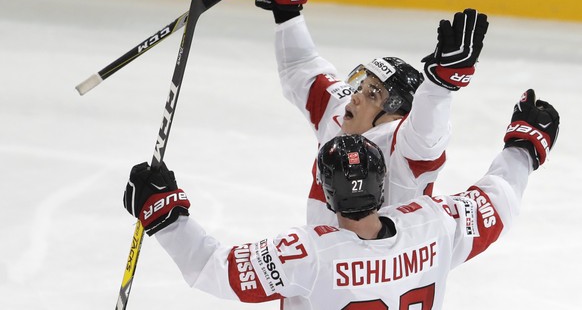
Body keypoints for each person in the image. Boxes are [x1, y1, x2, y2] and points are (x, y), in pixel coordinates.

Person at [123, 89, 559, 310]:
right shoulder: (432, 223)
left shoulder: (306, 254)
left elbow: (210, 269)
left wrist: (165, 215)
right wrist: (523, 148)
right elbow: (495, 201)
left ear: (325, 193)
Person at [241, 0, 490, 225]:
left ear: (395, 115)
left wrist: (441, 86)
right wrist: (287, 11)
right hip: (326, 262)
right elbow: (302, 68)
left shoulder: (403, 149)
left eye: (374, 94)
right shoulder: (341, 116)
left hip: (391, 269)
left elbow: (428, 132)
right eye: (363, 85)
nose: (356, 96)